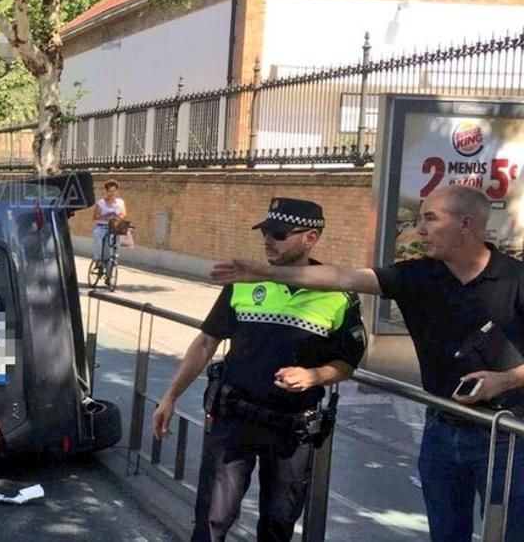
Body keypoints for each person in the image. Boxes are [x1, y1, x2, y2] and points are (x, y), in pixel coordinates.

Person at [212, 185, 524, 542]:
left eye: (431, 219)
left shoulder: (516, 279)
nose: (420, 230)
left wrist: (507, 380)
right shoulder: (420, 275)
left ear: (466, 223)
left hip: (508, 435)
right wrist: (265, 272)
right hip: (442, 428)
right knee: (447, 533)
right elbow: (346, 277)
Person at [156, 198, 365, 542]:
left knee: (277, 525)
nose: (267, 240)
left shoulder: (338, 295)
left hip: (292, 428)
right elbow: (206, 342)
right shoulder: (244, 282)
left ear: (310, 238)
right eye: (265, 232)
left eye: (278, 234)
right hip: (234, 419)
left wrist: (314, 376)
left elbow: (347, 363)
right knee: (211, 521)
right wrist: (169, 396)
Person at [91, 180, 127, 261]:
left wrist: (117, 217)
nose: (111, 193)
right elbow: (95, 217)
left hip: (114, 227)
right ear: (106, 191)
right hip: (102, 226)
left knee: (109, 244)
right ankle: (98, 258)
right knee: (97, 237)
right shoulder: (100, 203)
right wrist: (106, 216)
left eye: (113, 191)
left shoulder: (120, 202)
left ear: (117, 191)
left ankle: (108, 264)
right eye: (109, 191)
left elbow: (123, 214)